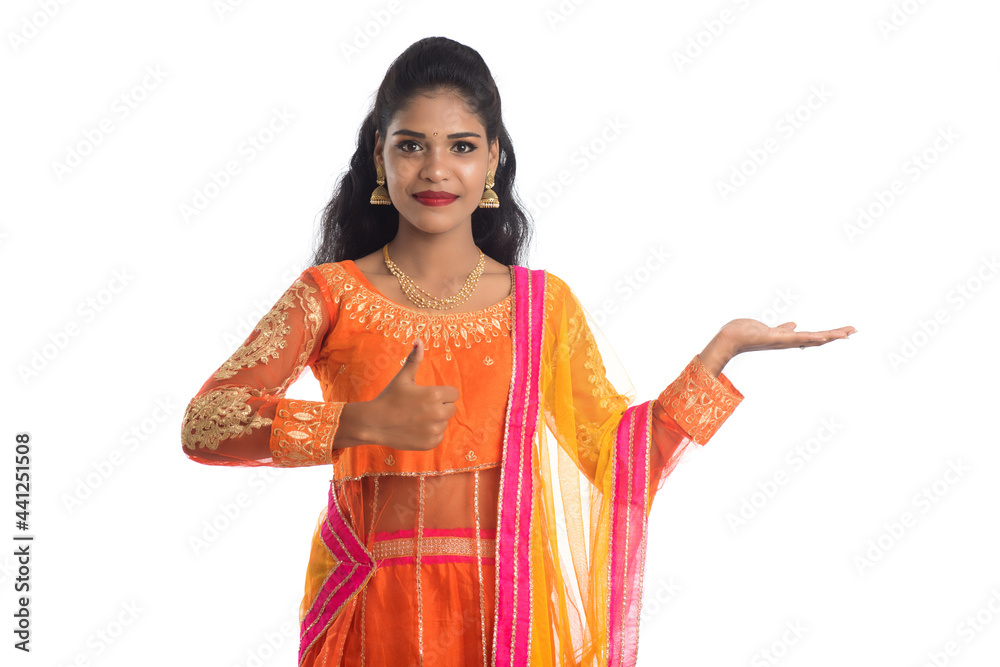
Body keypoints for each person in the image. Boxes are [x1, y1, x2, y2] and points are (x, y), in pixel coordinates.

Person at [180, 36, 854, 667]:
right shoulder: (330, 294)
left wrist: (720, 353)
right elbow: (206, 422)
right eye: (411, 145)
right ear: (379, 153)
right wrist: (362, 423)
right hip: (366, 610)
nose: (437, 169)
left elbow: (621, 464)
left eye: (462, 146)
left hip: (504, 612)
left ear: (493, 157)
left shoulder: (541, 306)